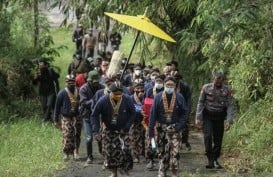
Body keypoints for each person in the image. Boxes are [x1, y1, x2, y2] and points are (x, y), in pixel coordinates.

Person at [91, 81, 136, 177]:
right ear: (110, 92)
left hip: (124, 130)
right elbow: (94, 115)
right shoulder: (103, 100)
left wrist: (127, 126)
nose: (118, 96)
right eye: (116, 94)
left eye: (120, 94)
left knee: (126, 151)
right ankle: (113, 172)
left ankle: (126, 172)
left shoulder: (127, 99)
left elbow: (133, 113)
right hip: (109, 130)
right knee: (110, 152)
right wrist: (96, 131)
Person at [149, 77, 187, 177]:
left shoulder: (179, 97)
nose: (169, 87)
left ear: (175, 86)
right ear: (164, 85)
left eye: (171, 85)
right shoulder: (158, 97)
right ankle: (162, 171)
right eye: (167, 85)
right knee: (162, 152)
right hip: (161, 128)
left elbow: (184, 114)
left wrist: (178, 127)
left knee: (175, 152)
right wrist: (151, 131)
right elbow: (153, 114)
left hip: (175, 128)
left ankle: (174, 172)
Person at [195, 72, 234, 169]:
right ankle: (210, 159)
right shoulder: (206, 88)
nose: (218, 82)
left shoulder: (227, 90)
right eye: (216, 80)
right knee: (208, 137)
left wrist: (229, 120)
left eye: (220, 81)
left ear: (223, 81)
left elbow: (230, 105)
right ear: (213, 79)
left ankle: (215, 159)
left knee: (218, 139)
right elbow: (201, 102)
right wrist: (198, 117)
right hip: (208, 115)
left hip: (219, 116)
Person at [79, 71, 104, 164]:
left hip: (98, 117)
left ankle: (103, 154)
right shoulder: (83, 89)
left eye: (97, 81)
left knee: (100, 136)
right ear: (89, 81)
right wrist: (95, 101)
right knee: (89, 138)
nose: (95, 83)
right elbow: (83, 102)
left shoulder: (102, 88)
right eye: (93, 82)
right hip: (87, 115)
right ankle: (89, 156)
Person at [53, 75, 80, 160]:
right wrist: (56, 120)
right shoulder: (62, 93)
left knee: (77, 135)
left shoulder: (78, 91)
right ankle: (66, 153)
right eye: (69, 82)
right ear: (66, 83)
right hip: (66, 117)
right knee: (67, 135)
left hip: (77, 116)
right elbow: (57, 107)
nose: (71, 84)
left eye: (73, 82)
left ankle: (76, 152)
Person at [172, 70, 192, 151]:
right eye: (173, 78)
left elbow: (188, 100)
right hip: (171, 110)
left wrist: (187, 112)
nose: (175, 80)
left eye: (176, 78)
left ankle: (184, 141)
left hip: (182, 109)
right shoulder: (168, 86)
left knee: (184, 126)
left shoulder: (184, 86)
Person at [129, 79, 146, 163]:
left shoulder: (146, 97)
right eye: (137, 88)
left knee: (144, 137)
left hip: (144, 121)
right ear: (134, 89)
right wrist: (139, 111)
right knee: (134, 139)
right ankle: (135, 156)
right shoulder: (131, 98)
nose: (139, 90)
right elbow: (130, 109)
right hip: (134, 121)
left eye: (141, 88)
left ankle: (143, 154)